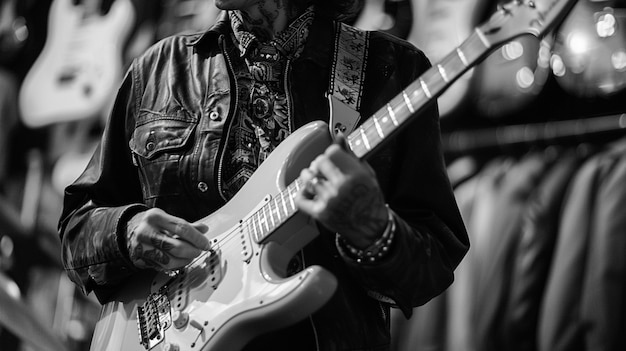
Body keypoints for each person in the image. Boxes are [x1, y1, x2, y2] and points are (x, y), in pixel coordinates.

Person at [58, 0, 469, 349]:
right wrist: (126, 232)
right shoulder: (159, 70)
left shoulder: (391, 69)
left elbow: (431, 268)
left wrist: (374, 229)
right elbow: (77, 227)